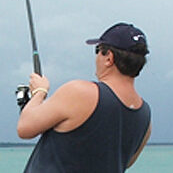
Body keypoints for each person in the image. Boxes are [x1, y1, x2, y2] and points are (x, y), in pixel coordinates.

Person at [17, 22, 151, 173]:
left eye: (98, 50)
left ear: (109, 58)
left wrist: (39, 91)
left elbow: (25, 128)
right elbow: (126, 162)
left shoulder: (81, 92)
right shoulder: (145, 115)